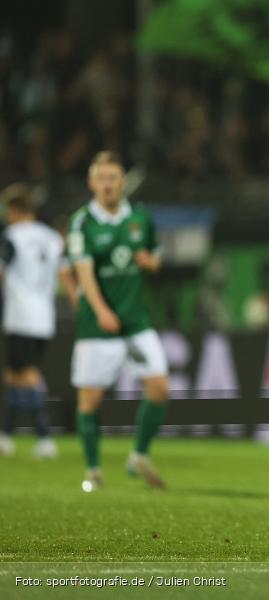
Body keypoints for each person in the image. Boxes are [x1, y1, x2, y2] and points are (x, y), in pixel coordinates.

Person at [67, 151, 170, 491]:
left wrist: (149, 261)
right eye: (101, 178)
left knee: (159, 388)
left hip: (136, 322)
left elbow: (155, 256)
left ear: (123, 181)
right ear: (91, 182)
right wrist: (101, 311)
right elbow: (84, 273)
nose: (107, 184)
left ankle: (139, 455)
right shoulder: (82, 222)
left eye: (113, 177)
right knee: (90, 400)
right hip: (97, 325)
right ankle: (93, 470)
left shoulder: (140, 216)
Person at [0, 184, 77, 458]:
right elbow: (66, 274)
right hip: (44, 317)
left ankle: (45, 437)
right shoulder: (52, 238)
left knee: (28, 376)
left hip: (20, 315)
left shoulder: (12, 236)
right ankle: (6, 436)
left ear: (14, 210)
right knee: (12, 375)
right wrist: (77, 304)